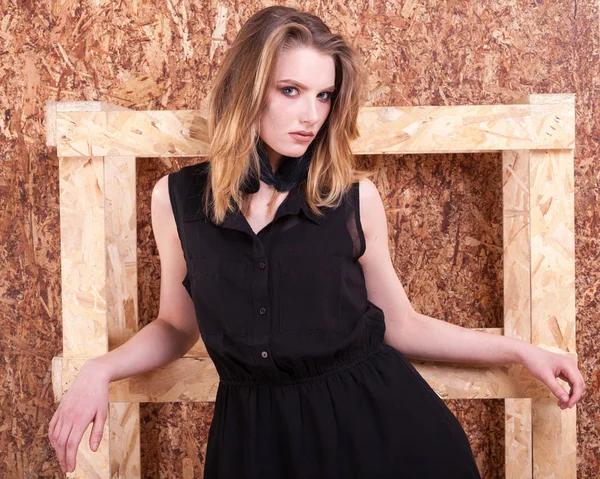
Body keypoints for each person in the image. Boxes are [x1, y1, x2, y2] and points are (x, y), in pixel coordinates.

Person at [49, 6, 586, 478]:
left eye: (324, 96)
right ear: (246, 89)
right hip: (253, 445)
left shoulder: (353, 200)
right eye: (291, 91)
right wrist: (100, 367)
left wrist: (522, 351)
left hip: (381, 436)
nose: (310, 115)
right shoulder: (176, 198)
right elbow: (175, 326)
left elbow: (402, 326)